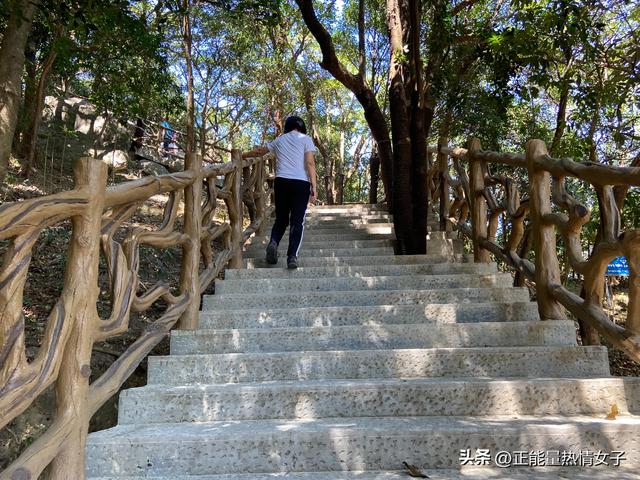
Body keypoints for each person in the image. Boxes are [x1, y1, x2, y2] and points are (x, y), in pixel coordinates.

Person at [243, 116, 318, 269]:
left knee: (281, 219)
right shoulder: (306, 139)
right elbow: (310, 162)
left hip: (282, 182)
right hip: (300, 183)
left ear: (287, 127)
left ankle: (273, 242)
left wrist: (242, 155)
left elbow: (260, 152)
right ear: (302, 127)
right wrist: (314, 187)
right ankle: (292, 257)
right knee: (297, 222)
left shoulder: (280, 140)